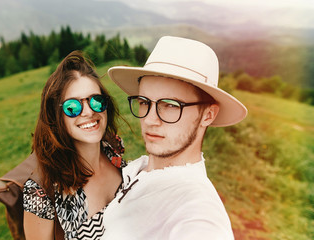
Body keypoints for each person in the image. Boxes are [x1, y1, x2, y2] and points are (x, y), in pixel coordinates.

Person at [102, 36, 248, 239]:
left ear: (208, 115)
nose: (150, 119)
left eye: (171, 105)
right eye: (144, 102)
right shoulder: (137, 168)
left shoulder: (198, 211)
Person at [23, 50, 126, 240]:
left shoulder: (114, 150)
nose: (88, 112)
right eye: (73, 107)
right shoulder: (41, 192)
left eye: (96, 101)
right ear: (55, 115)